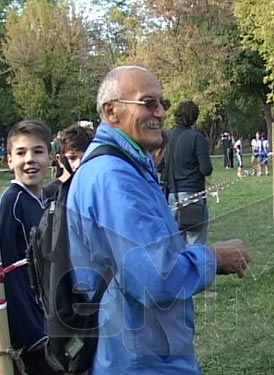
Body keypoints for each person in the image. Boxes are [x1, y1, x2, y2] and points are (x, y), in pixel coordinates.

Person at [67, 66, 250, 375]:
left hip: (149, 351)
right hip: (140, 359)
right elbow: (156, 277)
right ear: (111, 111)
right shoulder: (114, 176)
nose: (162, 112)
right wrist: (214, 258)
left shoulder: (129, 165)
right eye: (148, 102)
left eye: (163, 103)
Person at [0, 119, 63, 375]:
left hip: (50, 317)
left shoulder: (45, 200)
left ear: (50, 158)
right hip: (30, 330)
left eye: (38, 151)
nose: (30, 159)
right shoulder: (11, 203)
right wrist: (32, 333)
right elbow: (8, 275)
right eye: (21, 153)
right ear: (9, 161)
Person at [166, 100, 213, 245]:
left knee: (176, 244)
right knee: (194, 243)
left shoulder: (166, 137)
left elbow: (160, 165)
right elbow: (206, 169)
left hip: (172, 195)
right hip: (192, 194)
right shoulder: (196, 138)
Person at [43, 124, 94, 199]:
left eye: (84, 158)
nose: (78, 164)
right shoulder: (47, 193)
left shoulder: (95, 189)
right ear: (59, 159)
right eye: (72, 158)